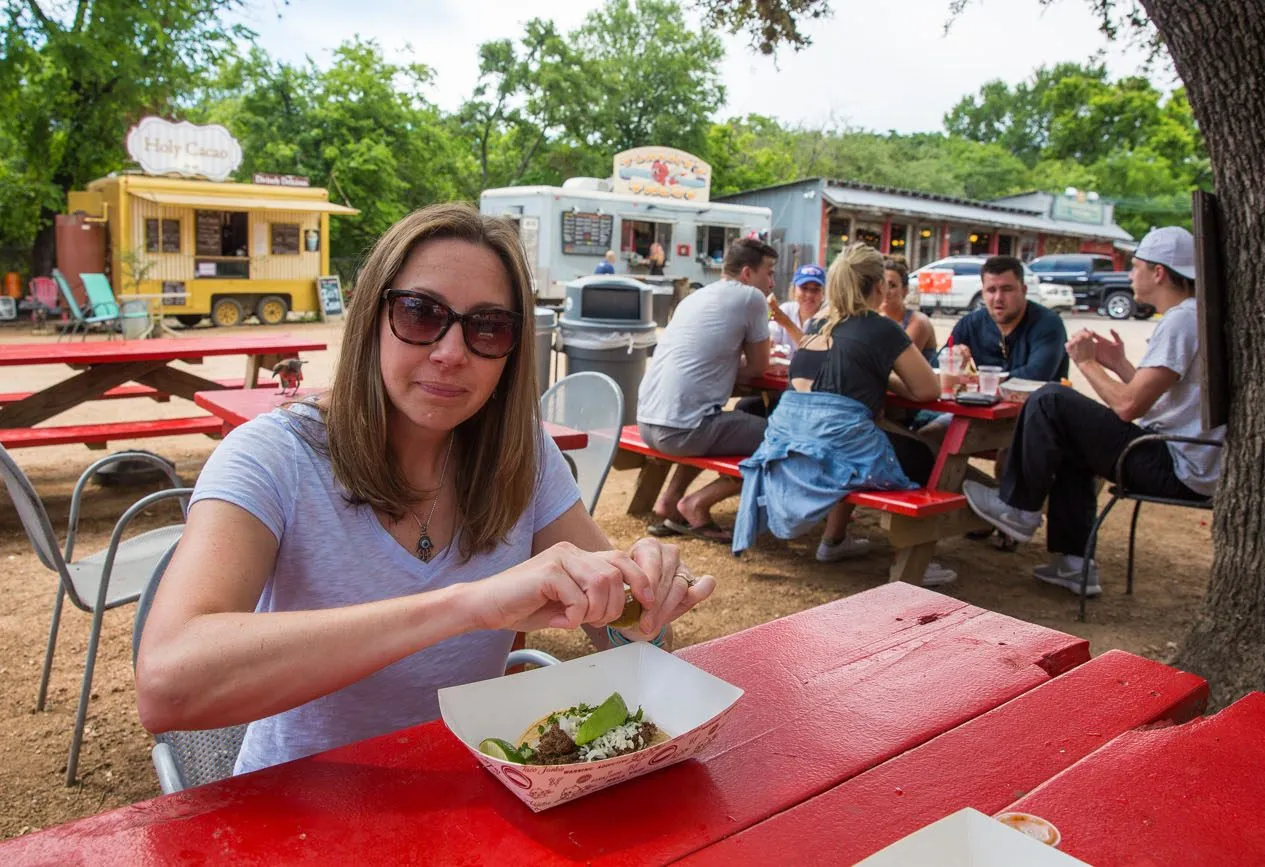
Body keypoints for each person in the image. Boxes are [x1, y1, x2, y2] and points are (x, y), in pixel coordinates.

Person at [134, 204, 714, 774]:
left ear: (513, 352)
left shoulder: (525, 457)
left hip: (479, 800)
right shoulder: (273, 456)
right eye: (419, 313)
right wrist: (468, 606)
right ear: (371, 318)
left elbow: (633, 646)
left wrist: (644, 603)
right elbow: (167, 684)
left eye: (489, 327)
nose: (451, 353)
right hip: (299, 808)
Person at [962, 227, 1226, 596]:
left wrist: (1086, 363)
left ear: (1159, 272)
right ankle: (1074, 565)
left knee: (1050, 399)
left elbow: (1128, 406)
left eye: (1135, 267)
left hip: (1178, 464)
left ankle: (1018, 508)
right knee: (1072, 438)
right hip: (1188, 457)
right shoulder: (1194, 315)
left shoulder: (1182, 320)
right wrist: (1117, 363)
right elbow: (1157, 398)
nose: (1131, 275)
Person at [731, 243, 957, 586]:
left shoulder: (818, 322)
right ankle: (912, 559)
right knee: (924, 459)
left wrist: (878, 375)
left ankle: (833, 540)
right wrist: (887, 377)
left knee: (856, 436)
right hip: (832, 445)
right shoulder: (880, 327)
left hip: (792, 443)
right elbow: (928, 390)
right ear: (879, 286)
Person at [636, 237, 776, 543]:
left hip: (647, 423)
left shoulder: (696, 297)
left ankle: (669, 502)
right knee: (781, 441)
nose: (772, 282)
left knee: (715, 418)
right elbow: (758, 369)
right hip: (683, 431)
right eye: (769, 273)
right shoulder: (751, 298)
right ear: (748, 274)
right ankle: (696, 505)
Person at [950, 256, 1068, 382]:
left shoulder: (1048, 324)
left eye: (1007, 289)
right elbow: (936, 365)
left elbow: (1037, 374)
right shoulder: (970, 324)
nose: (998, 298)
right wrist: (952, 358)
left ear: (1023, 290)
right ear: (982, 293)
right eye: (991, 290)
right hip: (981, 400)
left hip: (1036, 400)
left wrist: (984, 379)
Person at [879, 256, 938, 364]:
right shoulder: (878, 320)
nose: (885, 291)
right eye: (882, 284)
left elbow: (899, 364)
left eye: (892, 285)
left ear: (905, 290)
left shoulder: (919, 322)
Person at [767, 264, 826, 356]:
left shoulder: (828, 317)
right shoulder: (785, 309)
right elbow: (770, 340)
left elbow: (815, 353)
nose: (809, 294)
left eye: (815, 290)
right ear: (794, 290)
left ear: (823, 293)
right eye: (804, 288)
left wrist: (787, 323)